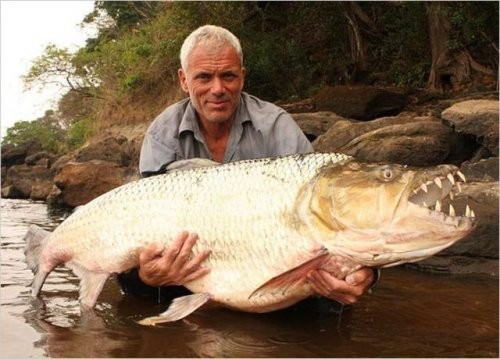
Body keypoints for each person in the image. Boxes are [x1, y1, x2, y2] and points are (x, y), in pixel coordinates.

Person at [118, 25, 377, 311]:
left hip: (271, 260)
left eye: (228, 75)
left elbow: (329, 214)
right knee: (135, 288)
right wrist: (147, 275)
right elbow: (141, 223)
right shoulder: (162, 134)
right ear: (183, 80)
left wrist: (366, 271)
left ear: (242, 76)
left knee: (327, 302)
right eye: (204, 77)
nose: (218, 89)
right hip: (193, 266)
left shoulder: (276, 126)